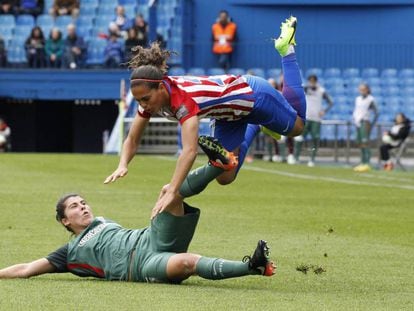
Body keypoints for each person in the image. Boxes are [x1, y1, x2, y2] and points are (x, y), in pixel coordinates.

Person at [104, 16, 306, 216]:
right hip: (228, 115)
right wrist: (122, 164)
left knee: (298, 127)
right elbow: (132, 138)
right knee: (226, 176)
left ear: (160, 87)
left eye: (146, 99)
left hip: (253, 96)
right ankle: (256, 126)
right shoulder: (152, 96)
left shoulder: (183, 101)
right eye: (139, 101)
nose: (143, 105)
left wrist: (173, 190)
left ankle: (286, 51)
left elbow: (190, 151)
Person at [0, 193, 275, 283]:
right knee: (187, 263)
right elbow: (26, 269)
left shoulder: (102, 220)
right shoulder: (69, 253)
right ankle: (252, 266)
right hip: (143, 264)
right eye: (74, 206)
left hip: (150, 236)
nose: (82, 206)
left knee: (171, 192)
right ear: (65, 221)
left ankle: (220, 163)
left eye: (83, 202)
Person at [294, 74, 334, 167]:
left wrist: (324, 111)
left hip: (316, 119)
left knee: (315, 139)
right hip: (306, 118)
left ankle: (312, 159)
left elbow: (330, 102)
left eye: (313, 81)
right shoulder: (305, 89)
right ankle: (296, 158)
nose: (311, 83)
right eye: (310, 81)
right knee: (299, 137)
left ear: (316, 81)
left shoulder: (321, 91)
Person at [352, 83, 379, 172]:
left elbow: (377, 112)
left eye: (363, 89)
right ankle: (362, 162)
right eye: (360, 89)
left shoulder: (370, 99)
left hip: (365, 122)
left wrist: (372, 124)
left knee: (365, 142)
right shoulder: (358, 99)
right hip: (358, 122)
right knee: (360, 143)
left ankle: (367, 163)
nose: (362, 91)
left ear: (367, 90)